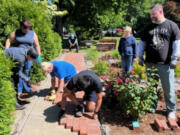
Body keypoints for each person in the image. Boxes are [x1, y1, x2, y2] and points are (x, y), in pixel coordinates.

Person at [138, 4, 180, 119]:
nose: (151, 16)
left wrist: (174, 58)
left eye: (153, 14)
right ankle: (152, 106)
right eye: (151, 14)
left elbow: (177, 43)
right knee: (152, 87)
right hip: (150, 63)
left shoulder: (172, 26)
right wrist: (140, 56)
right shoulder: (148, 27)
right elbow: (142, 43)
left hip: (166, 65)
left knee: (169, 88)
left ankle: (171, 109)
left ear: (160, 12)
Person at [5, 20, 41, 96]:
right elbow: (8, 40)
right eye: (25, 28)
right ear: (21, 27)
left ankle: (27, 89)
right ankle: (19, 91)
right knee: (19, 72)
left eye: (28, 28)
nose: (27, 30)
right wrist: (6, 51)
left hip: (30, 56)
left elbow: (37, 45)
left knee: (26, 72)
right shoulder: (16, 32)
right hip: (20, 56)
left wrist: (39, 56)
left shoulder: (32, 33)